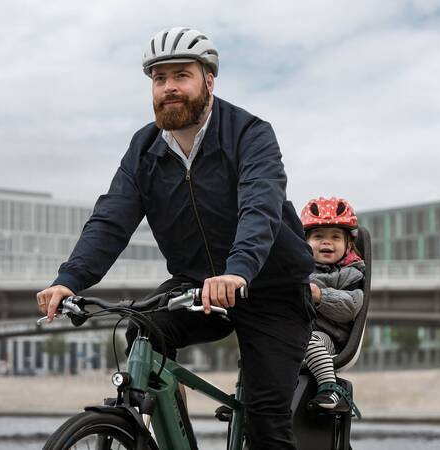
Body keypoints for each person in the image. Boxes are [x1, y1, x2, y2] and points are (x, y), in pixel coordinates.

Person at [36, 26, 314, 449]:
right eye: (159, 78)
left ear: (209, 80)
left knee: (267, 423)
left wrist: (238, 272)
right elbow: (112, 219)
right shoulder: (144, 149)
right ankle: (171, 435)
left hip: (269, 288)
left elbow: (260, 209)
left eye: (181, 75)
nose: (169, 87)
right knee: (145, 332)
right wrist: (69, 279)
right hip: (196, 287)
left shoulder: (250, 134)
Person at [300, 197, 365, 410]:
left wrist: (320, 296)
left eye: (335, 237)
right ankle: (250, 401)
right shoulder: (295, 271)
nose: (326, 242)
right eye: (318, 236)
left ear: (349, 246)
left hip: (328, 336)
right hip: (292, 332)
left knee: (308, 340)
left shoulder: (349, 274)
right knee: (259, 343)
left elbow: (351, 307)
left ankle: (330, 387)